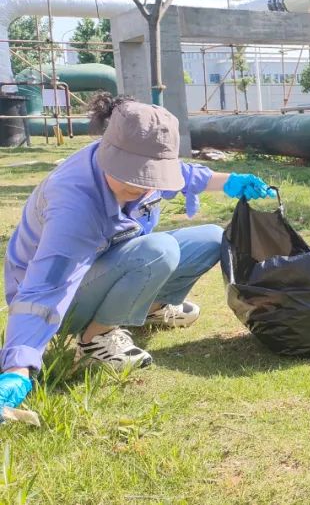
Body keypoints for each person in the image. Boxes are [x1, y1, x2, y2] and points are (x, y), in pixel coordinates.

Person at [0, 94, 275, 412]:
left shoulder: (142, 172)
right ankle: (95, 338)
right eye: (134, 177)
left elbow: (185, 175)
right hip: (62, 299)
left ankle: (149, 308)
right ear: (107, 153)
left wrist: (230, 182)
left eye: (151, 177)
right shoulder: (73, 205)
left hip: (109, 264)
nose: (143, 187)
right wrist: (18, 367)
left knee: (212, 238)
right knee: (159, 250)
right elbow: (46, 286)